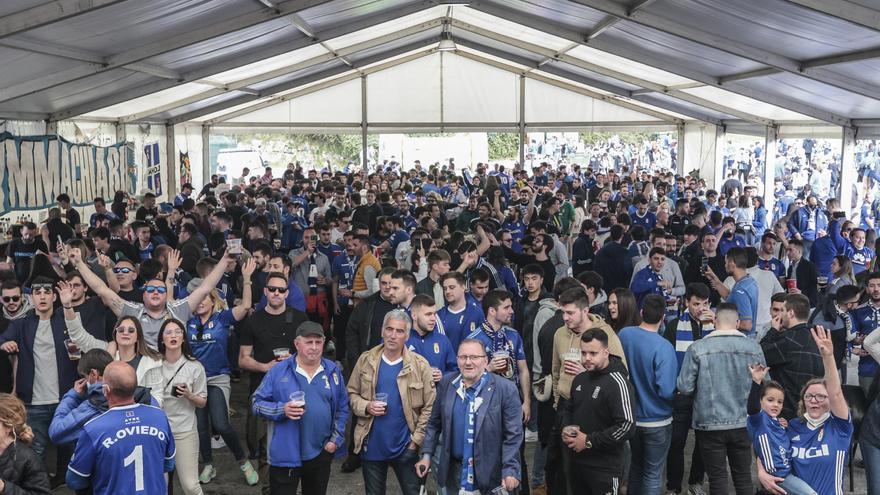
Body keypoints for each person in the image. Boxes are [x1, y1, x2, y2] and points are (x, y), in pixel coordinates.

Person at [251, 321, 349, 495]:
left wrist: (335, 440)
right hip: (285, 454)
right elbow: (256, 404)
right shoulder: (279, 371)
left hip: (321, 452)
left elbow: (342, 407)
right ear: (297, 344)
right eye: (308, 342)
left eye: (318, 342)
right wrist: (282, 410)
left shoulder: (333, 371)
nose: (314, 347)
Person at [677, 303, 765, 494]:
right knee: (743, 478)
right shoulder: (754, 348)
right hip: (744, 422)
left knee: (717, 480)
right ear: (738, 322)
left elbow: (684, 387)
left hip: (709, 423)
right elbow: (764, 384)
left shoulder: (698, 348)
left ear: (714, 321)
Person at [416, 338, 523, 494]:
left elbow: (513, 435)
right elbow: (434, 423)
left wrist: (510, 470)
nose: (468, 362)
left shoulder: (505, 389)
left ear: (486, 361)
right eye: (463, 357)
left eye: (474, 357)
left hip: (490, 474)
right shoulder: (447, 384)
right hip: (454, 474)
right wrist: (426, 455)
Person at [186, 259, 258, 485]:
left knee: (221, 423)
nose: (199, 302)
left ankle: (243, 462)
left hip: (218, 377)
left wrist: (246, 279)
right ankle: (208, 465)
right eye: (196, 298)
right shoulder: (186, 321)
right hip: (194, 381)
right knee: (200, 427)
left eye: (204, 297)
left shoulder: (222, 318)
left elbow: (246, 306)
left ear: (212, 299)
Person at [347, 309, 435, 495]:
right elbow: (351, 394)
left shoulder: (420, 365)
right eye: (389, 329)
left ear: (407, 335)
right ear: (382, 331)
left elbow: (430, 407)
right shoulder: (365, 360)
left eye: (399, 331)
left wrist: (415, 441)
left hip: (405, 446)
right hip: (372, 445)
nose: (393, 335)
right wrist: (367, 406)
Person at [70, 248, 230, 349]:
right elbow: (102, 290)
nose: (155, 292)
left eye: (160, 290)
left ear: (165, 294)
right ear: (143, 294)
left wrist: (225, 260)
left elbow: (206, 287)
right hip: (145, 374)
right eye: (151, 289)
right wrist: (79, 264)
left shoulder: (178, 309)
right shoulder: (133, 312)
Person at [758, 327, 852, 495]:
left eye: (821, 396)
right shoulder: (792, 425)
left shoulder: (839, 427)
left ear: (830, 400)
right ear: (803, 401)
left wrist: (828, 357)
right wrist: (761, 472)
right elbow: (767, 446)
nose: (814, 400)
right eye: (809, 396)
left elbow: (836, 394)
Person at [66, 362, 175, 495]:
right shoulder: (159, 417)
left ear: (105, 390)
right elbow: (168, 464)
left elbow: (75, 480)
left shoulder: (93, 429)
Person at [238, 271, 308, 471]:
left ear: (287, 293)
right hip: (263, 390)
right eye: (272, 289)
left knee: (297, 441)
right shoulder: (253, 320)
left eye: (281, 289)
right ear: (265, 292)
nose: (276, 293)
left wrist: (293, 360)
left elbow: (313, 353)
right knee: (264, 446)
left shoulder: (300, 318)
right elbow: (243, 359)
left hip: (295, 390)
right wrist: (266, 367)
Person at [561, 328, 635, 495]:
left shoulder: (618, 383)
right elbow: (568, 409)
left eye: (593, 353)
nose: (587, 358)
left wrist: (588, 441)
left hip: (605, 468)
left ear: (606, 352)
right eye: (584, 353)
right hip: (577, 464)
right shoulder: (579, 379)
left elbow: (627, 426)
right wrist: (565, 427)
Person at [618, 294, 677, 495]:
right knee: (653, 473)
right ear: (662, 318)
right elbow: (667, 390)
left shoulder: (625, 335)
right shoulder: (664, 347)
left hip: (631, 418)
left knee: (636, 466)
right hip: (658, 421)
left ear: (641, 312)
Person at [663, 282, 712, 495]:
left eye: (704, 304)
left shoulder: (716, 325)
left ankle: (695, 483)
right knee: (676, 442)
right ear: (686, 302)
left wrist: (715, 326)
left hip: (707, 394)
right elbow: (667, 360)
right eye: (695, 304)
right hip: (682, 393)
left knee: (703, 443)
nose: (700, 308)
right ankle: (674, 486)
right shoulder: (674, 326)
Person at [746, 364, 818, 495]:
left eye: (780, 402)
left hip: (789, 471)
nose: (775, 405)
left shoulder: (778, 422)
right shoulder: (758, 419)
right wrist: (756, 381)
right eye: (770, 400)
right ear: (760, 401)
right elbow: (752, 408)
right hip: (779, 476)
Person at [156, 319, 208, 495]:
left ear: (184, 338)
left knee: (190, 485)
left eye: (178, 332)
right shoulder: (153, 365)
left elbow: (202, 402)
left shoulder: (195, 367)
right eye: (168, 332)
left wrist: (189, 395)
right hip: (158, 431)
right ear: (161, 339)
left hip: (184, 430)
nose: (173, 336)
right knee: (159, 486)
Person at [760, 294, 824, 419]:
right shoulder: (817, 336)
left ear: (790, 313)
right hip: (813, 409)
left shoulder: (788, 340)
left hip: (788, 412)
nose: (780, 315)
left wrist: (773, 331)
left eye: (782, 310)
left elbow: (761, 354)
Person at [406, 294, 457, 380]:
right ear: (414, 316)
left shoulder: (443, 340)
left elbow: (454, 370)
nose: (433, 318)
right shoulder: (403, 340)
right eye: (428, 314)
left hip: (438, 392)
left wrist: (443, 376)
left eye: (434, 314)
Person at [436, 271, 485, 351]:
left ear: (463, 287)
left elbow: (483, 341)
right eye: (445, 289)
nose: (447, 291)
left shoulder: (477, 313)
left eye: (452, 287)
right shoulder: (439, 315)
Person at [785, 240, 819, 307]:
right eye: (787, 250)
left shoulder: (810, 266)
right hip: (793, 302)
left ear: (799, 251)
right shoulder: (790, 268)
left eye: (790, 250)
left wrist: (802, 292)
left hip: (806, 304)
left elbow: (817, 286)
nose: (787, 253)